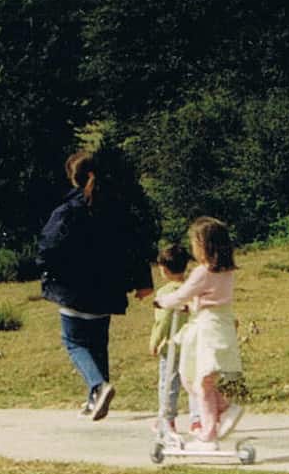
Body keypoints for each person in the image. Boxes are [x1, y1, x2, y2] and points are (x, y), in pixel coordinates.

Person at [36, 149, 141, 421]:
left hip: (72, 289)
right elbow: (134, 246)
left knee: (73, 342)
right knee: (98, 343)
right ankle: (95, 399)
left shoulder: (67, 211)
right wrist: (140, 281)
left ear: (73, 178)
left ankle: (99, 386)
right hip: (107, 290)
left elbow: (48, 246)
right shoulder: (116, 208)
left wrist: (47, 270)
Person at [155, 216, 244, 444]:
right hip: (221, 326)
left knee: (200, 381)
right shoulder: (226, 271)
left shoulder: (203, 272)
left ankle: (209, 431)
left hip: (207, 330)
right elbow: (210, 298)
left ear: (204, 246)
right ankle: (224, 410)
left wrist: (162, 301)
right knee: (198, 380)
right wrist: (191, 305)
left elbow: (181, 295)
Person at [148, 242, 190, 439]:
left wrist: (155, 341)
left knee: (168, 383)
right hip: (190, 343)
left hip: (171, 345)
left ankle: (167, 418)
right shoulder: (190, 289)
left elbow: (163, 320)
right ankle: (197, 419)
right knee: (192, 382)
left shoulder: (165, 293)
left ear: (163, 269)